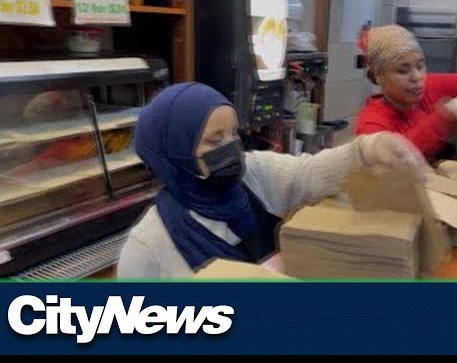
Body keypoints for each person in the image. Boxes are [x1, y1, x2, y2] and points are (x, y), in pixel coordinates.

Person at [116, 82, 429, 279]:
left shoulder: (254, 173)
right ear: (174, 154)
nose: (231, 147)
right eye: (215, 140)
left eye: (234, 133)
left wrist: (368, 149)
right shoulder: (148, 249)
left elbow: (308, 175)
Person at [354, 24, 457, 162]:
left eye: (420, 66)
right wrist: (447, 114)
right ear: (379, 76)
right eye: (403, 71)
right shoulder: (371, 123)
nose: (417, 77)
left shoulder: (426, 87)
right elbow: (392, 162)